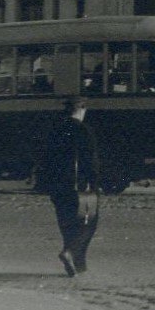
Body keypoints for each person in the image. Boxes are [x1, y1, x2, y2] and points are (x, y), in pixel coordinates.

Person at [36, 97, 100, 276]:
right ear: (82, 110)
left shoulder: (55, 130)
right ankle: (70, 253)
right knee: (88, 222)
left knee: (66, 222)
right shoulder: (84, 130)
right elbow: (90, 159)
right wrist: (94, 182)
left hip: (57, 185)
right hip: (79, 185)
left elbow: (44, 158)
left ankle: (78, 265)